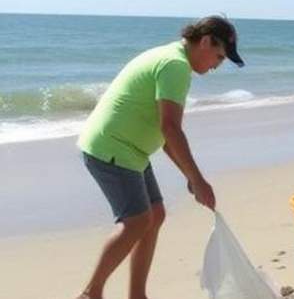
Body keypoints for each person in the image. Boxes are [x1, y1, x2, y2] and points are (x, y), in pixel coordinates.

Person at [75, 16, 245, 299]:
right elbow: (170, 128)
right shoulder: (175, 66)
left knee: (155, 215)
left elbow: (166, 137)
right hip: (112, 148)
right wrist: (199, 180)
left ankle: (137, 295)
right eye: (218, 56)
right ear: (205, 41)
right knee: (137, 221)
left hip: (130, 150)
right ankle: (90, 294)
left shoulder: (173, 58)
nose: (217, 65)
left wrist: (190, 177)